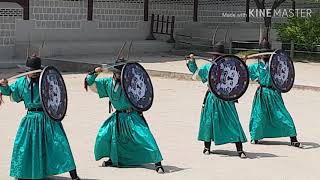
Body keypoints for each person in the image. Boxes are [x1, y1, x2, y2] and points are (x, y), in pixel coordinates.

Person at [0, 55, 80, 180]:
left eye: (35, 71)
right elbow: (12, 94)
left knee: (60, 144)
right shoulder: (21, 82)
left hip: (48, 117)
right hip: (30, 118)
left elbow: (57, 95)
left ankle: (74, 175)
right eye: (31, 71)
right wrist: (4, 86)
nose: (33, 74)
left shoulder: (47, 80)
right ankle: (21, 174)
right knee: (24, 147)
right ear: (27, 71)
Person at [84, 60, 164, 173]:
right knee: (106, 136)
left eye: (120, 72)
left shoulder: (131, 83)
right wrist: (94, 72)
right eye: (116, 72)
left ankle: (158, 163)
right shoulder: (107, 82)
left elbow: (142, 94)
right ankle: (113, 159)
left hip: (132, 115)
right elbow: (90, 83)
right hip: (118, 116)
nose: (117, 75)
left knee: (145, 137)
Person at [186, 42, 248, 158]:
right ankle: (206, 147)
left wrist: (242, 63)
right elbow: (196, 74)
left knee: (232, 122)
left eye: (218, 55)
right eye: (215, 55)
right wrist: (191, 61)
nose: (216, 57)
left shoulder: (230, 66)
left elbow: (240, 75)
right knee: (209, 122)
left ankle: (239, 149)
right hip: (212, 98)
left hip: (226, 99)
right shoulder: (207, 67)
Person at [244, 39, 301, 147]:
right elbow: (244, 73)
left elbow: (285, 72)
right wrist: (244, 61)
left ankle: (293, 138)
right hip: (262, 93)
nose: (265, 56)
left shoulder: (276, 64)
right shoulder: (255, 66)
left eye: (266, 53)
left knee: (282, 114)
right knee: (259, 115)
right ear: (260, 54)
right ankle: (255, 137)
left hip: (274, 92)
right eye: (263, 53)